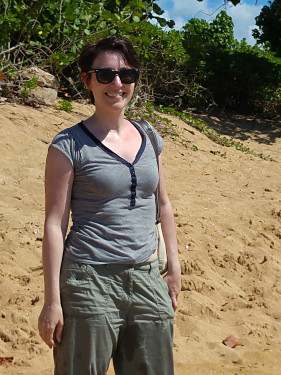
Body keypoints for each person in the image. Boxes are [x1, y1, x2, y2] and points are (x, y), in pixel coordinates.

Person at [37, 35, 181, 375]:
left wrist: (173, 267)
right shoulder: (68, 145)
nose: (116, 83)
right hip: (89, 281)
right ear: (87, 80)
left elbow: (163, 204)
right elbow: (54, 224)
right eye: (105, 75)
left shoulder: (150, 136)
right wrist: (52, 301)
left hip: (148, 277)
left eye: (126, 75)